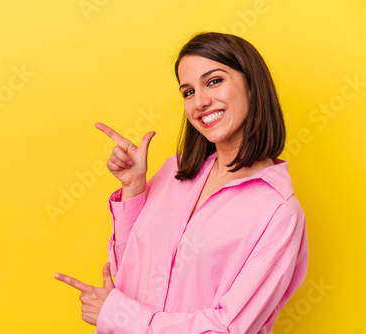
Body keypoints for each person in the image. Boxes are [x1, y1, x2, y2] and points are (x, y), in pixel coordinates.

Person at [55, 32, 308, 334]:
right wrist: (134, 189)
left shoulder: (278, 212)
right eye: (188, 92)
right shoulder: (174, 171)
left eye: (214, 81)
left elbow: (228, 329)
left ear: (252, 85)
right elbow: (131, 270)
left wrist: (119, 315)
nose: (200, 101)